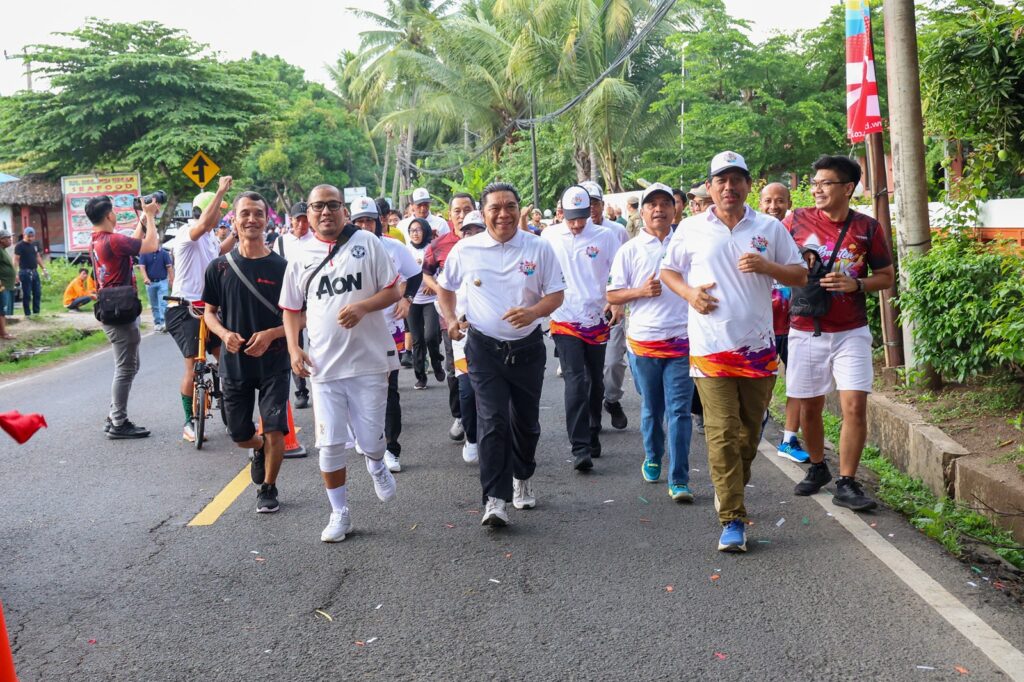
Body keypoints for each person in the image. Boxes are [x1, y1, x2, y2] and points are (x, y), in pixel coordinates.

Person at [660, 151, 806, 553]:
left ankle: (731, 493)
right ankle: (733, 519)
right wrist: (690, 293)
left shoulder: (769, 227)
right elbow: (668, 272)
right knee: (723, 435)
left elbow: (799, 274)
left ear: (748, 184)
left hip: (758, 349)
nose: (729, 186)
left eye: (737, 179)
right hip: (710, 349)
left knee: (747, 437)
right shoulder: (690, 228)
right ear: (709, 187)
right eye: (720, 180)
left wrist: (767, 267)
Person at [436, 182, 565, 527]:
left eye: (510, 206)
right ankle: (495, 499)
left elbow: (556, 295)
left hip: (527, 349)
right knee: (492, 420)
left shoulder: (538, 247)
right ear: (484, 212)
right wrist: (450, 320)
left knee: (525, 423)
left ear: (518, 208)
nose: (503, 214)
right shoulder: (466, 249)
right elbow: (445, 289)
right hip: (483, 348)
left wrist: (534, 312)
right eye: (495, 208)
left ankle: (522, 476)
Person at [280, 184, 402, 542]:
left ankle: (377, 464)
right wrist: (293, 349)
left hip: (369, 362)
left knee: (371, 442)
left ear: (343, 210)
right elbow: (290, 308)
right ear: (309, 213)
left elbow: (395, 290)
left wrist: (364, 307)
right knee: (329, 444)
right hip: (323, 367)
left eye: (333, 205)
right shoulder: (300, 255)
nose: (325, 212)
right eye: (318, 207)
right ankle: (339, 512)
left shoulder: (368, 244)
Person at [785, 155, 895, 511]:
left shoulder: (868, 228)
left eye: (825, 183)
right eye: (814, 183)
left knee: (854, 405)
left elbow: (887, 277)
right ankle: (818, 467)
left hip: (852, 331)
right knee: (809, 407)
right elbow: (776, 262)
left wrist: (855, 283)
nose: (817, 189)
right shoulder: (796, 220)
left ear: (848, 188)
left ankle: (847, 481)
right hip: (806, 328)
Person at [202, 191, 289, 515]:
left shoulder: (282, 267)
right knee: (238, 432)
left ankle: (268, 487)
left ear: (267, 220)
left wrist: (272, 334)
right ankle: (257, 449)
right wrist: (224, 334)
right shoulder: (219, 268)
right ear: (234, 221)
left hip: (275, 360)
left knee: (275, 427)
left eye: (258, 213)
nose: (251, 219)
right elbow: (209, 312)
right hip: (234, 363)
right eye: (245, 214)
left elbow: (301, 316)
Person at [608, 183, 695, 502]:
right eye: (652, 204)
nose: (659, 209)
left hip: (682, 341)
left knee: (680, 411)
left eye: (665, 204)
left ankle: (680, 478)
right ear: (642, 212)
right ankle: (653, 455)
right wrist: (640, 292)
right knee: (652, 408)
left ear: (675, 210)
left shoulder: (686, 246)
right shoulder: (629, 250)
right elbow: (612, 294)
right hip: (644, 343)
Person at [543, 185, 621, 472]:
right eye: (571, 217)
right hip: (564, 318)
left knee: (596, 380)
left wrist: (617, 303)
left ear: (591, 212)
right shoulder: (549, 237)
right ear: (561, 213)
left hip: (597, 318)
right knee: (576, 380)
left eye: (582, 218)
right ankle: (580, 447)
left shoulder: (606, 236)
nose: (576, 224)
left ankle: (593, 427)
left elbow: (618, 273)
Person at [349, 196, 422, 474]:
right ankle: (364, 434)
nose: (365, 226)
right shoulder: (342, 250)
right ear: (352, 223)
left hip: (388, 328)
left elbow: (414, 276)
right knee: (356, 388)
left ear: (379, 222)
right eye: (359, 221)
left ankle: (391, 448)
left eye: (370, 220)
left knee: (388, 389)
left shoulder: (394, 247)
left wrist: (407, 300)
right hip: (354, 331)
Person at [166, 179, 237, 442]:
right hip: (184, 309)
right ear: (209, 210)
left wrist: (236, 234)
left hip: (208, 311)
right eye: (218, 209)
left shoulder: (208, 239)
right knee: (193, 364)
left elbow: (219, 250)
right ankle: (188, 422)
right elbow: (204, 225)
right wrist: (219, 191)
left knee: (225, 360)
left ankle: (231, 411)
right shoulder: (188, 232)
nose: (221, 215)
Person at [87, 195, 161, 439]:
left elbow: (132, 243)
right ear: (109, 215)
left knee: (130, 365)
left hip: (111, 307)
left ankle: (114, 416)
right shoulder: (113, 240)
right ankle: (118, 422)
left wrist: (142, 218)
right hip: (121, 311)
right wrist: (150, 216)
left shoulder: (98, 240)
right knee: (126, 367)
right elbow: (151, 246)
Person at [759, 182, 808, 463]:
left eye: (779, 201)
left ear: (789, 202)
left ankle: (789, 438)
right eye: (768, 201)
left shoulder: (799, 234)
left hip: (796, 323)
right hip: (762, 326)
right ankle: (757, 421)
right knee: (762, 384)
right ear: (760, 202)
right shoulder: (751, 232)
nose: (773, 206)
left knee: (797, 383)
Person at [422, 192, 476, 444]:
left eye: (467, 208)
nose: (462, 214)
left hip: (482, 317)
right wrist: (440, 290)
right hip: (451, 317)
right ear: (450, 214)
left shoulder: (484, 238)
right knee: (455, 369)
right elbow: (425, 273)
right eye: (457, 210)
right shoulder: (440, 244)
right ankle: (461, 416)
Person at [580, 181, 630, 431]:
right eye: (584, 203)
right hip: (581, 316)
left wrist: (618, 301)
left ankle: (611, 400)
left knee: (612, 363)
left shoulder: (616, 232)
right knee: (586, 372)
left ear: (602, 205)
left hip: (611, 309)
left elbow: (624, 268)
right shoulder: (568, 232)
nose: (590, 209)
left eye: (595, 203)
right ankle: (591, 417)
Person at [447, 210, 487, 463]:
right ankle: (472, 438)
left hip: (494, 336)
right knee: (467, 391)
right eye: (467, 231)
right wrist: (452, 319)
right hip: (463, 337)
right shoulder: (457, 256)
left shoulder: (499, 256)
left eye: (477, 231)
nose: (471, 236)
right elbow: (444, 289)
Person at [274, 201, 315, 408]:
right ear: (291, 221)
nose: (301, 224)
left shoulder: (316, 241)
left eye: (305, 220)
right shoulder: (281, 243)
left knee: (318, 339)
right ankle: (301, 389)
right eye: (298, 220)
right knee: (294, 342)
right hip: (292, 300)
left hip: (314, 298)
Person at [404, 218, 445, 390]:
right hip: (413, 300)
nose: (415, 233)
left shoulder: (433, 248)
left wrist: (434, 284)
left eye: (419, 230)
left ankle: (436, 362)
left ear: (426, 231)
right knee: (418, 340)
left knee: (430, 336)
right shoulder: (405, 251)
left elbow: (444, 270)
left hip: (431, 300)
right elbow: (400, 273)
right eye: (412, 230)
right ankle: (420, 376)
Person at [136, 245, 173, 330]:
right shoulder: (144, 253)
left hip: (162, 281)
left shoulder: (164, 253)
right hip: (150, 283)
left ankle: (164, 322)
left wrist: (172, 280)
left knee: (163, 303)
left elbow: (169, 267)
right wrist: (145, 278)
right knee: (154, 304)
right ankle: (157, 322)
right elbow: (142, 267)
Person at [14, 227, 48, 317]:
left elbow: (37, 257)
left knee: (37, 293)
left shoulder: (34, 245)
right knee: (27, 294)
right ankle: (27, 314)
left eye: (32, 236)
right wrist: (16, 273)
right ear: (24, 235)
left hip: (34, 271)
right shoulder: (19, 245)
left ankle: (36, 313)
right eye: (29, 236)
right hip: (25, 272)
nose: (31, 238)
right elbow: (16, 260)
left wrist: (44, 269)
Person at [0, 228, 14, 339]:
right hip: (2, 285)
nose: (10, 239)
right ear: (1, 240)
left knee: (3, 309)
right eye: (8, 238)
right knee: (2, 309)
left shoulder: (3, 250)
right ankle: (3, 333)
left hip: (7, 284)